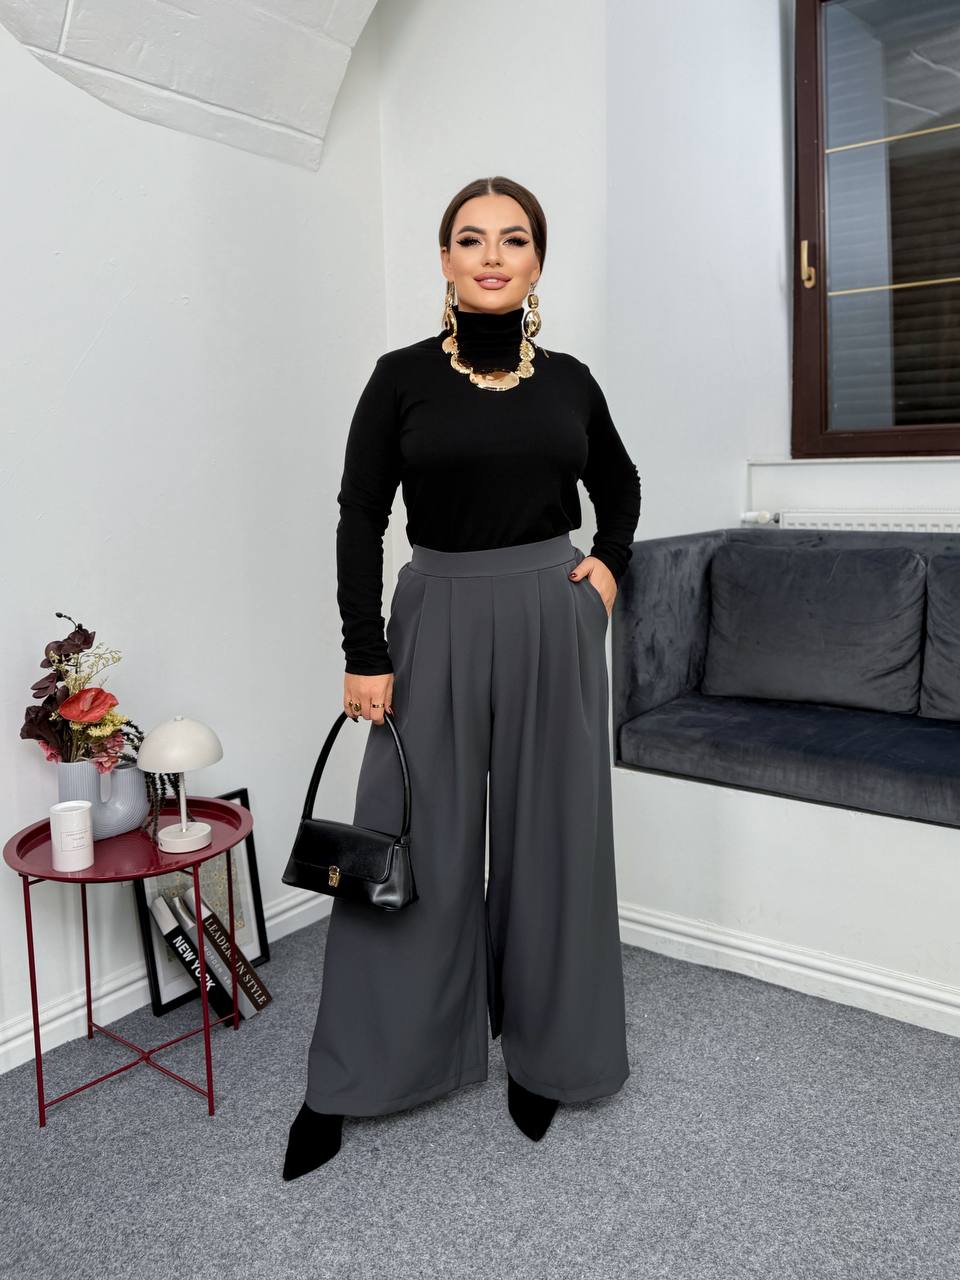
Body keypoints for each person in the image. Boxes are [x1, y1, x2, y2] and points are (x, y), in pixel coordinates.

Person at [283, 176, 642, 1180]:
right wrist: (364, 649)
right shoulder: (399, 377)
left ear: (537, 261)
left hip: (551, 619)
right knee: (409, 836)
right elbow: (360, 514)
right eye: (472, 238)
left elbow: (618, 481)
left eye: (514, 239)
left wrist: (607, 567)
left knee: (553, 839)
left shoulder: (570, 381)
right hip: (433, 617)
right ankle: (359, 1071)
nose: (492, 255)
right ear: (444, 259)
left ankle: (548, 1054)